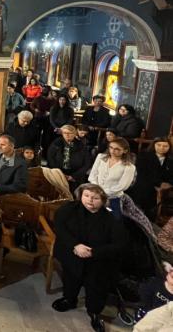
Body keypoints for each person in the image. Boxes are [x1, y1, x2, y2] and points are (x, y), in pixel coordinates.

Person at [51, 184, 127, 332]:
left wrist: (94, 252)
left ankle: (94, 313)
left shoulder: (111, 218)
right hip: (72, 253)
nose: (90, 200)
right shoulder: (70, 208)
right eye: (86, 196)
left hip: (97, 259)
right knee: (70, 277)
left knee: (96, 286)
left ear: (103, 200)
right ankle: (69, 300)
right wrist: (75, 245)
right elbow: (59, 226)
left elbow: (120, 244)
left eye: (95, 198)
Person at [88, 137, 136, 219]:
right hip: (95, 193)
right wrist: (97, 190)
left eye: (117, 149)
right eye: (111, 147)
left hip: (113, 198)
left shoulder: (129, 167)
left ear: (125, 151)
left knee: (112, 220)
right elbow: (92, 176)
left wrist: (102, 193)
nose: (112, 151)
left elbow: (123, 186)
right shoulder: (100, 157)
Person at [127, 137, 173, 221]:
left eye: (165, 146)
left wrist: (169, 183)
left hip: (163, 185)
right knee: (145, 188)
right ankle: (140, 213)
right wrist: (159, 183)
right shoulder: (144, 155)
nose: (162, 148)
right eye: (159, 145)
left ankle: (152, 216)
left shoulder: (170, 159)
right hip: (145, 181)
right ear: (154, 145)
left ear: (169, 147)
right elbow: (142, 172)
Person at [47, 125, 92, 189]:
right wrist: (60, 174)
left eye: (70, 133)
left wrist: (73, 176)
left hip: (75, 176)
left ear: (74, 134)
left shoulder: (81, 145)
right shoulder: (56, 143)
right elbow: (50, 159)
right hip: (57, 174)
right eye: (65, 133)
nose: (67, 135)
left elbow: (87, 163)